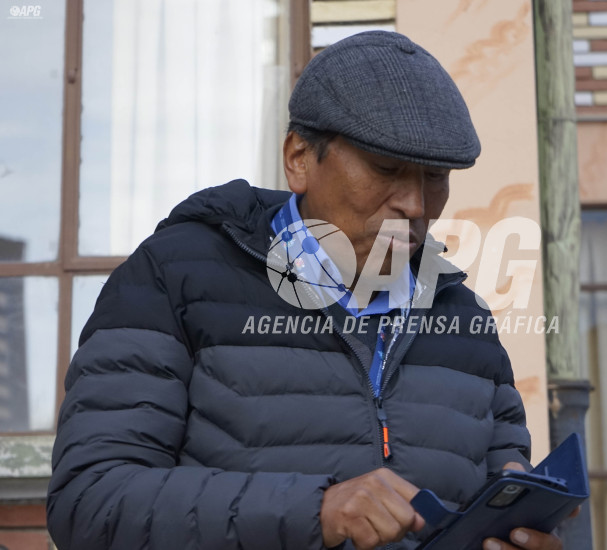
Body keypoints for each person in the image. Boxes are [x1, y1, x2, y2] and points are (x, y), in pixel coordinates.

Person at [47, 31, 570, 550]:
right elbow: (91, 503)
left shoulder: (466, 320)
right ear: (299, 157)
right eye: (386, 169)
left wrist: (518, 533)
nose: (415, 205)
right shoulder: (171, 278)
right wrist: (315, 511)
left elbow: (498, 493)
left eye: (435, 177)